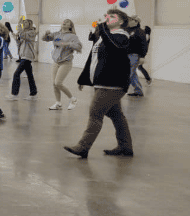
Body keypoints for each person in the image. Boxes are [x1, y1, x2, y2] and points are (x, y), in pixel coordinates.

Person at [64, 9, 133, 158]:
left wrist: (102, 29)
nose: (107, 18)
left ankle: (83, 147)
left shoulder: (122, 36)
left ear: (121, 22)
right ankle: (125, 147)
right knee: (117, 116)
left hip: (112, 84)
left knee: (95, 113)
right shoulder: (105, 36)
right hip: (103, 83)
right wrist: (84, 78)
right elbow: (94, 58)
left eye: (112, 16)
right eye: (106, 16)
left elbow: (114, 48)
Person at [43, 19, 83, 110]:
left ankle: (72, 99)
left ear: (70, 26)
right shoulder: (57, 34)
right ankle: (58, 103)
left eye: (67, 22)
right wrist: (46, 34)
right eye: (63, 21)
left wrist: (68, 44)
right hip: (56, 62)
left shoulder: (73, 36)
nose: (64, 22)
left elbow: (79, 47)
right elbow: (46, 39)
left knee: (58, 83)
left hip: (66, 62)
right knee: (54, 84)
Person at [5, 18, 38, 100]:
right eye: (24, 22)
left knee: (16, 74)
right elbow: (19, 41)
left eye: (26, 22)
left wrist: (19, 25)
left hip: (27, 56)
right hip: (23, 56)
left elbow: (24, 36)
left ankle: (14, 94)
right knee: (30, 75)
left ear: (30, 24)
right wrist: (15, 36)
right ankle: (33, 94)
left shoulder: (32, 32)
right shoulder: (24, 32)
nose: (24, 23)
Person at [126, 15, 147, 97]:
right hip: (126, 54)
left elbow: (144, 45)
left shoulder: (140, 31)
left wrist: (142, 56)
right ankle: (138, 91)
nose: (129, 21)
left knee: (129, 73)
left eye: (131, 19)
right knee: (132, 74)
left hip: (134, 55)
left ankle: (119, 90)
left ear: (136, 21)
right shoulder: (127, 30)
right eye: (129, 19)